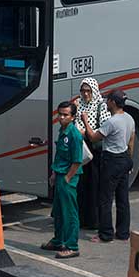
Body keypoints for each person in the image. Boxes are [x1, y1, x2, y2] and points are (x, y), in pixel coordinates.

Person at [82, 89, 135, 243]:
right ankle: (123, 233)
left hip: (111, 160)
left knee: (105, 198)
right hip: (124, 158)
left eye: (107, 99)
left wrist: (85, 119)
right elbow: (131, 140)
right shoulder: (129, 118)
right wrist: (129, 161)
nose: (105, 102)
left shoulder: (111, 122)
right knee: (122, 198)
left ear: (113, 102)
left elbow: (93, 138)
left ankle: (105, 234)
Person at [42, 100, 83, 259]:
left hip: (68, 178)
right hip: (59, 174)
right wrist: (54, 174)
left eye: (65, 115)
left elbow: (77, 160)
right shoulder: (63, 130)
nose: (61, 117)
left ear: (72, 117)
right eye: (60, 114)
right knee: (58, 211)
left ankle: (72, 246)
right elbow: (59, 155)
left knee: (70, 213)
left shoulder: (74, 134)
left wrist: (67, 178)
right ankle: (58, 240)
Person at [74, 77, 110, 229]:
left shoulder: (101, 106)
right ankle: (82, 219)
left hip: (94, 152)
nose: (85, 94)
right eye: (83, 91)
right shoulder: (78, 104)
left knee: (94, 186)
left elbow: (103, 130)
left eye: (88, 91)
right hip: (82, 150)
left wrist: (85, 127)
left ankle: (93, 221)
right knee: (81, 186)